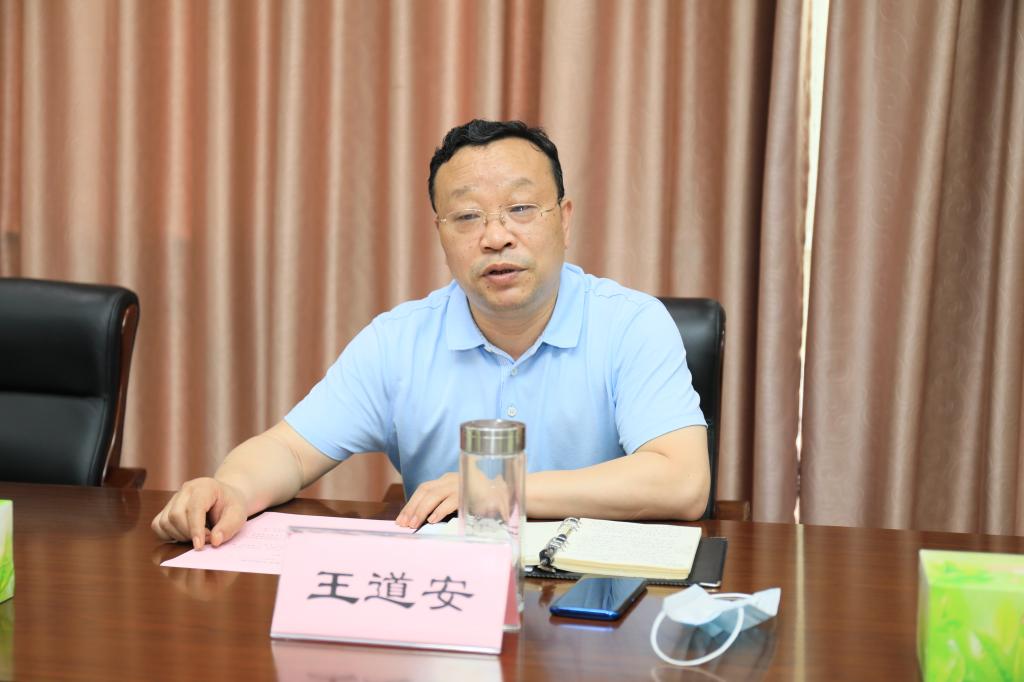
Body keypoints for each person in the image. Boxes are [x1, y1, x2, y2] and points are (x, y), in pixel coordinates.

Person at [152, 119, 710, 549]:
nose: (496, 236)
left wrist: (492, 492)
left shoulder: (631, 324)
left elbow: (682, 482)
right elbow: (289, 452)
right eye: (467, 217)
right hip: (449, 598)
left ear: (563, 219)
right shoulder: (399, 342)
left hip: (593, 597)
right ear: (441, 233)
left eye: (520, 208)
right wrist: (230, 489)